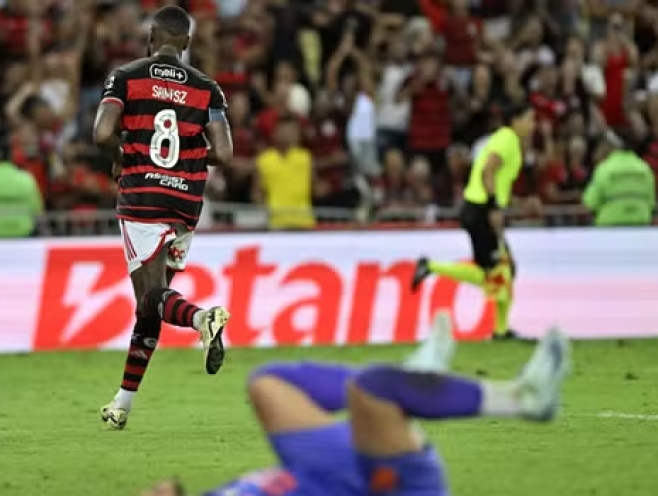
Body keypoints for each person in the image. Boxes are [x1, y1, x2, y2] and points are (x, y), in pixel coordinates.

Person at [138, 311, 572, 496]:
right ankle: (520, 399)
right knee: (376, 390)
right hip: (371, 487)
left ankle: (413, 380)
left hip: (319, 473)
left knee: (267, 383)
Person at [94, 5, 234, 430]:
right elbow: (224, 152)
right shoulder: (208, 88)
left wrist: (122, 158)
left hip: (142, 197)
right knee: (152, 306)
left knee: (148, 298)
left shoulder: (127, 76)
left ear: (151, 37)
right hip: (186, 202)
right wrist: (188, 158)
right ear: (187, 42)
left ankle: (200, 319)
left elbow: (102, 132)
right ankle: (122, 403)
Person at [411, 103, 536, 341]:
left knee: (502, 269)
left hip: (479, 208)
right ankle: (430, 266)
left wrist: (518, 203)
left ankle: (501, 330)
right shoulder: (507, 139)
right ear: (515, 121)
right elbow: (487, 171)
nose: (533, 125)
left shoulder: (509, 142)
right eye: (529, 119)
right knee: (497, 271)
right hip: (480, 210)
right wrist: (493, 208)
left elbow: (497, 182)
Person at [583, 132, 656, 226]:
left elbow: (590, 202)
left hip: (611, 225)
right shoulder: (644, 168)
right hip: (640, 223)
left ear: (610, 147)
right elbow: (651, 202)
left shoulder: (605, 168)